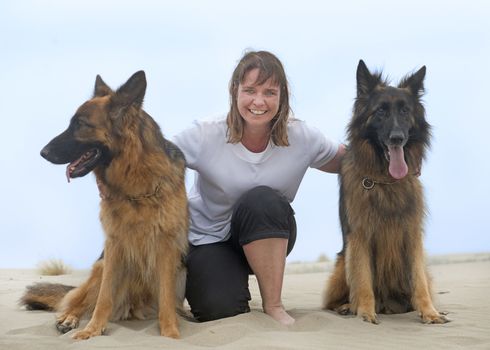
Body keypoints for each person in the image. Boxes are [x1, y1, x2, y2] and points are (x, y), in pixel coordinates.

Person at [172, 50, 345, 326]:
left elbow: (350, 161)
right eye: (250, 90)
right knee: (218, 310)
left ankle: (274, 305)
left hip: (269, 232)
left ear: (283, 95)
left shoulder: (302, 136)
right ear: (234, 91)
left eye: (269, 92)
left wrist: (400, 162)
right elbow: (153, 158)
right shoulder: (205, 134)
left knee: (262, 198)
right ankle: (225, 281)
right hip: (210, 239)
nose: (259, 101)